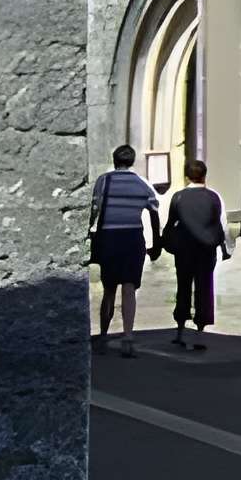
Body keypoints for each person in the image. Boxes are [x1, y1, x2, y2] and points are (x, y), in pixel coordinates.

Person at [89, 146, 161, 357]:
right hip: (133, 239)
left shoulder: (104, 181)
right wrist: (156, 242)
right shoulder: (142, 183)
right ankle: (128, 336)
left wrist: (90, 229)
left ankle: (103, 335)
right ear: (133, 161)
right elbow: (154, 211)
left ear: (113, 160)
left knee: (109, 289)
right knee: (129, 288)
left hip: (109, 239)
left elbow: (95, 209)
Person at [160, 158, 229, 350]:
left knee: (183, 286)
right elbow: (221, 224)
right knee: (204, 288)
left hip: (184, 249)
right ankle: (200, 334)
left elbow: (170, 223)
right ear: (204, 175)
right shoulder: (213, 197)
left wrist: (164, 242)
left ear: (186, 176)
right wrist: (225, 248)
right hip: (206, 250)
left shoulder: (178, 197)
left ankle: (180, 330)